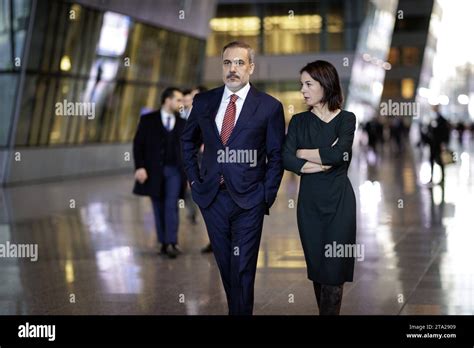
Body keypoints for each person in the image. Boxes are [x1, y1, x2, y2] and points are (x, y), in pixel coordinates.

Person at [181, 41, 285, 315]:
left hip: (249, 199)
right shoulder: (204, 102)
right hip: (212, 198)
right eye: (227, 63)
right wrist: (194, 181)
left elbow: (276, 156)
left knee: (244, 267)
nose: (233, 69)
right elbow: (187, 142)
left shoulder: (269, 107)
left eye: (239, 63)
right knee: (226, 265)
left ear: (251, 67)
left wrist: (266, 195)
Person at [282, 60, 357, 315]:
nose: (303, 90)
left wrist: (305, 153)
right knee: (317, 267)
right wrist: (315, 162)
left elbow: (340, 155)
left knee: (334, 269)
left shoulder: (347, 119)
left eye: (308, 84)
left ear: (325, 85)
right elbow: (287, 158)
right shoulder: (298, 121)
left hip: (339, 203)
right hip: (309, 205)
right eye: (302, 84)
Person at [133, 87, 187, 259]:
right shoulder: (148, 120)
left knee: (171, 205)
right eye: (178, 100)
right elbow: (138, 145)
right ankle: (163, 242)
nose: (181, 103)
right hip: (153, 172)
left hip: (175, 172)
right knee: (158, 206)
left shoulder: (182, 123)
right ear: (167, 100)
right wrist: (140, 167)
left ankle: (172, 242)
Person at [427, 105, 451, 184]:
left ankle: (443, 177)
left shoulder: (442, 120)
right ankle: (431, 177)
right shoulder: (431, 119)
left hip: (439, 145)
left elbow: (445, 132)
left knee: (440, 161)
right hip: (432, 145)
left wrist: (444, 143)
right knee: (431, 160)